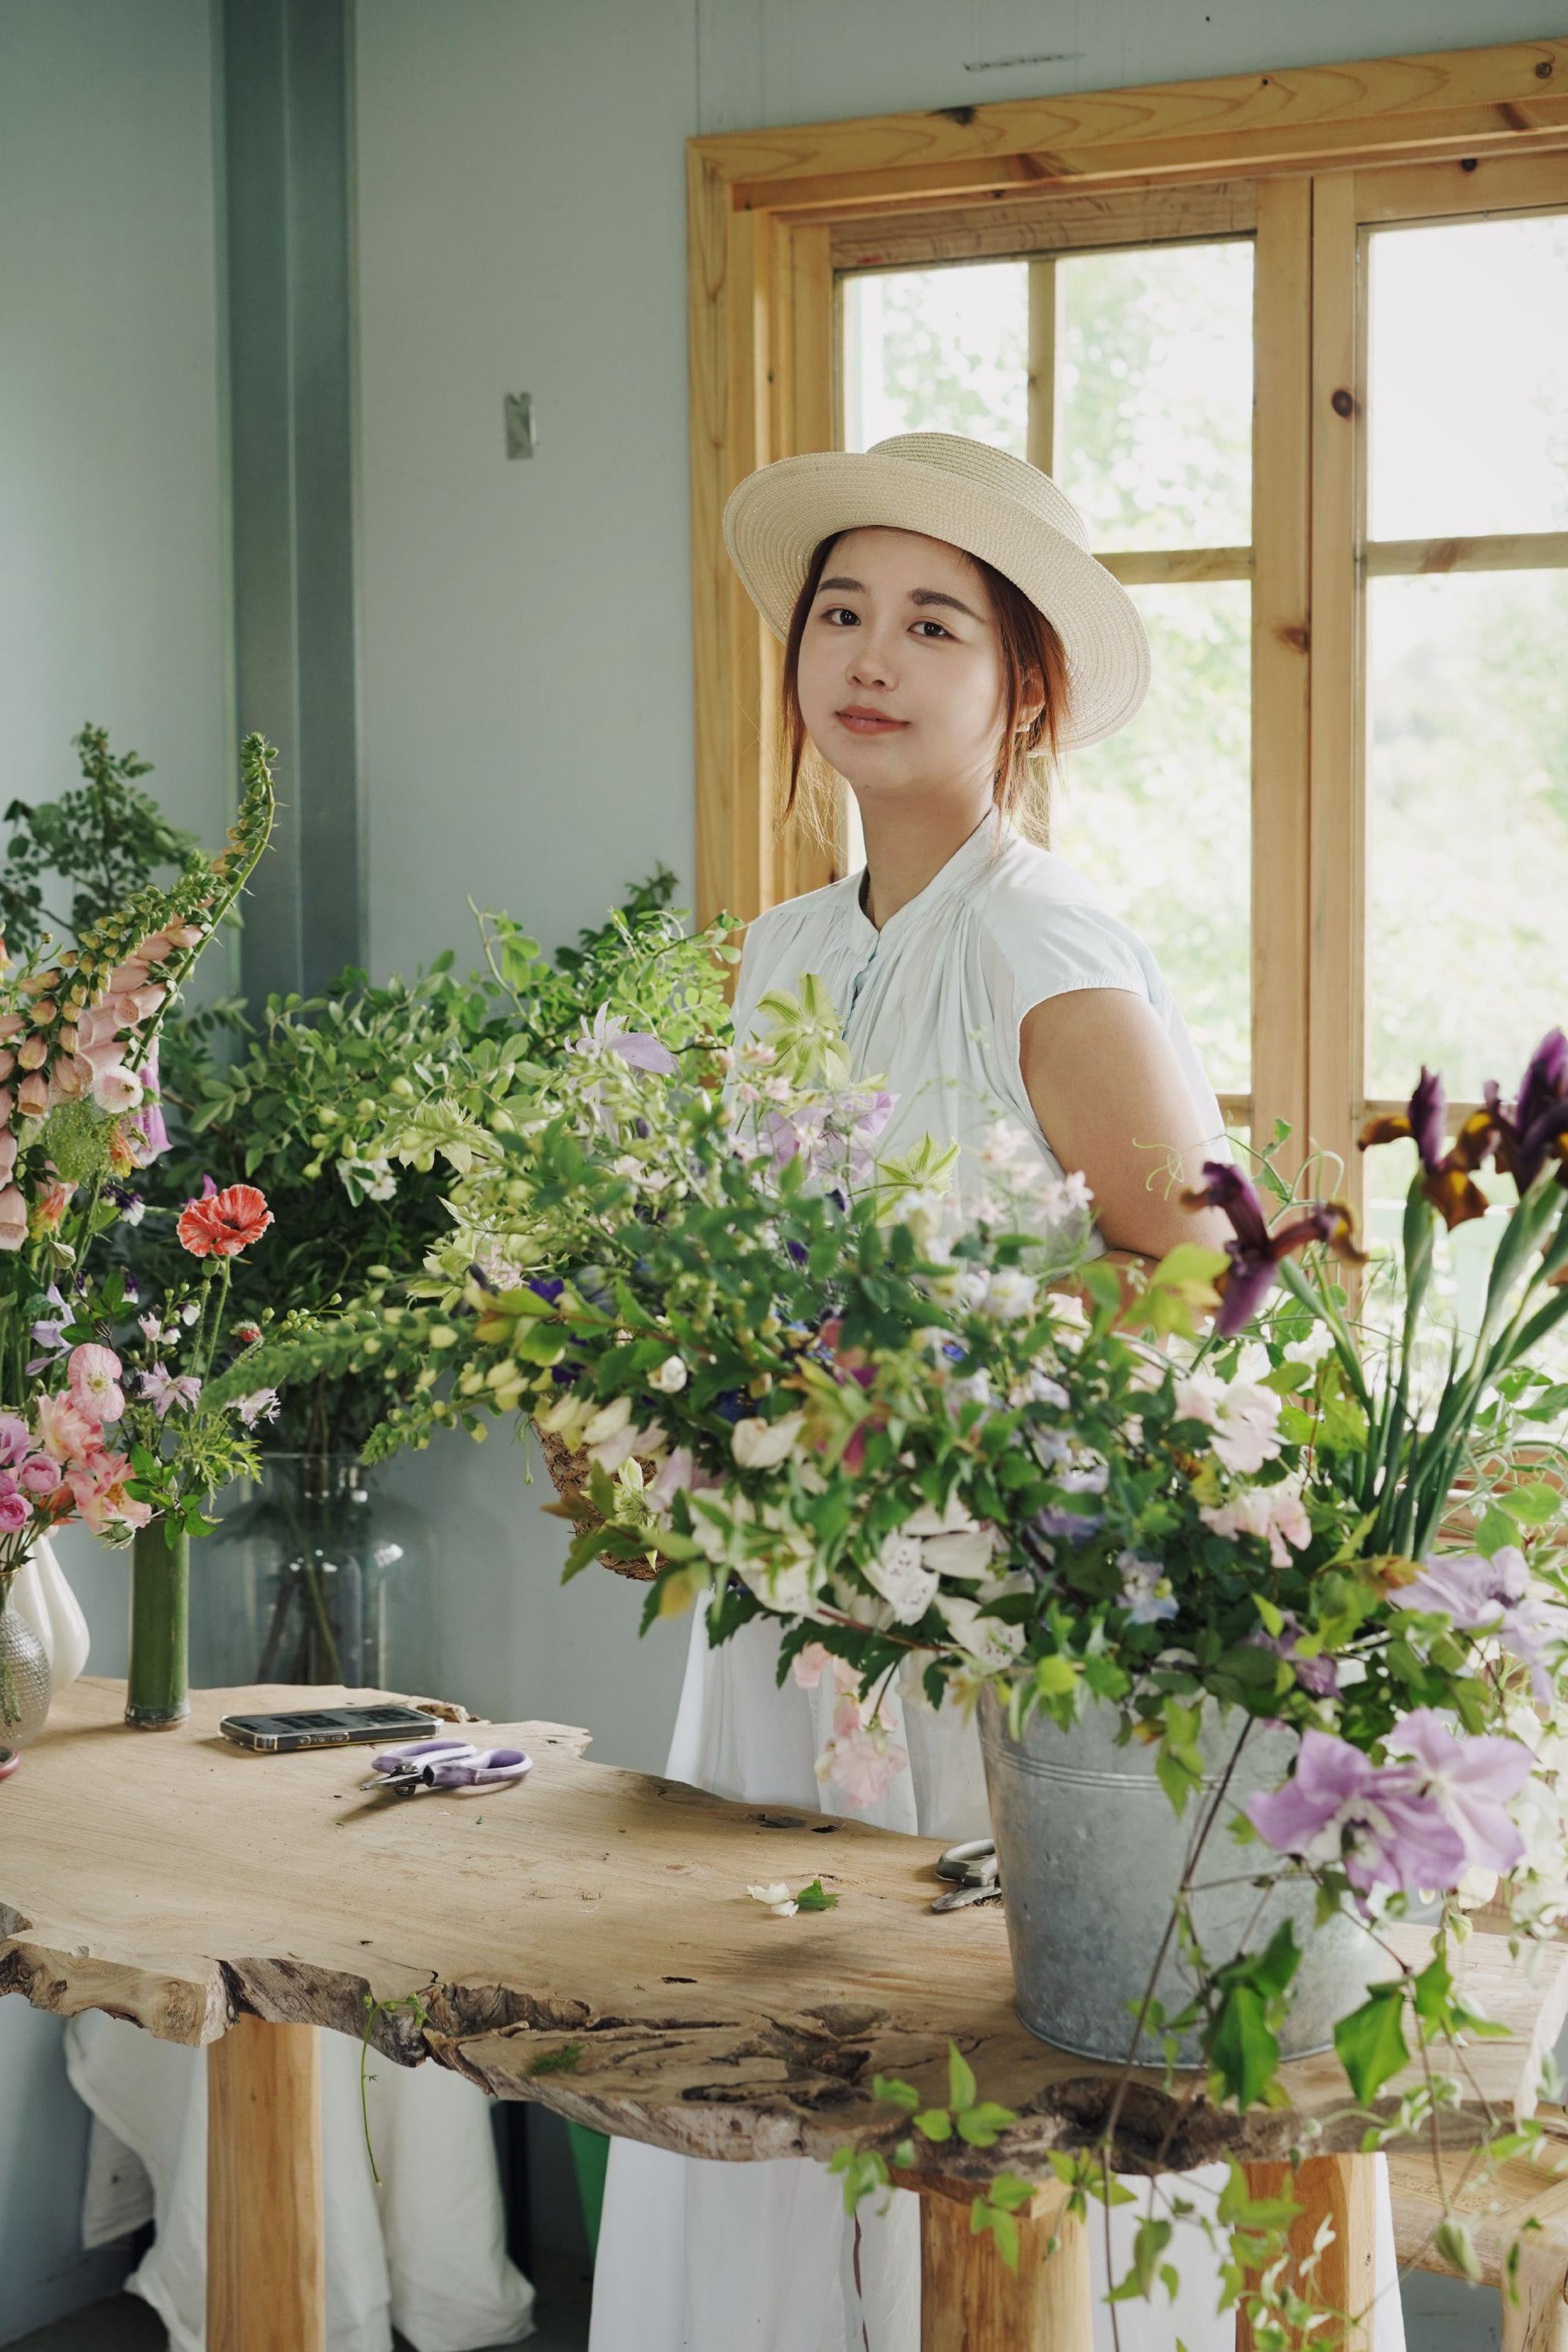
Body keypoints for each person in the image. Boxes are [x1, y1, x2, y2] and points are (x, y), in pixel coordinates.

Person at [587, 432, 1404, 2350]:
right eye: (842, 614)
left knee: (989, 2118)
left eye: (930, 622)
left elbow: (1205, 1286)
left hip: (992, 1614)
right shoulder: (782, 951)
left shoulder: (1040, 939)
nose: (870, 655)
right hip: (793, 1610)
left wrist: (956, 1401)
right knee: (779, 2061)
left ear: (1019, 684)